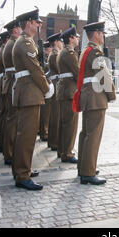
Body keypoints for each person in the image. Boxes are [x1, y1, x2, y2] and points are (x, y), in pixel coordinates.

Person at [11, 8, 54, 190]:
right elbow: (35, 69)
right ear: (29, 23)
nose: (38, 26)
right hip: (29, 93)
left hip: (29, 92)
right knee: (26, 136)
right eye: (37, 22)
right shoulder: (26, 43)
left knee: (26, 135)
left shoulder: (25, 42)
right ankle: (22, 175)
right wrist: (46, 87)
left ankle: (23, 170)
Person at [75, 21, 116, 185]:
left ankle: (84, 166)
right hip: (96, 97)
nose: (103, 37)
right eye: (102, 34)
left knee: (86, 133)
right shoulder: (95, 53)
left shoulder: (86, 50)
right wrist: (111, 94)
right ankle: (88, 172)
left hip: (88, 96)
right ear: (97, 34)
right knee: (93, 135)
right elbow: (104, 75)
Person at [56, 26, 80, 163]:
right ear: (70, 39)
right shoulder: (70, 53)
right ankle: (67, 153)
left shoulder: (63, 52)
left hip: (64, 90)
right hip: (69, 91)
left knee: (64, 123)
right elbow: (77, 73)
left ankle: (62, 150)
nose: (77, 39)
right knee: (70, 124)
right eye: (76, 37)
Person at [1, 19, 22, 166]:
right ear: (15, 30)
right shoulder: (13, 44)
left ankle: (9, 152)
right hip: (13, 82)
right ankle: (9, 153)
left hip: (11, 81)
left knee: (12, 120)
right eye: (20, 28)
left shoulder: (11, 43)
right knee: (13, 121)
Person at [46, 31, 63, 152]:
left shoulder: (54, 54)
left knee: (54, 115)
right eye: (60, 41)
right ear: (56, 42)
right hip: (56, 84)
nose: (62, 43)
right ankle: (54, 141)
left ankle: (53, 140)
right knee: (56, 115)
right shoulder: (55, 55)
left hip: (56, 84)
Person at [39, 42, 52, 142]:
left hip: (47, 85)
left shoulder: (47, 58)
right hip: (45, 85)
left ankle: (44, 131)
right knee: (45, 111)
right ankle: (44, 132)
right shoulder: (44, 59)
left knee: (47, 112)